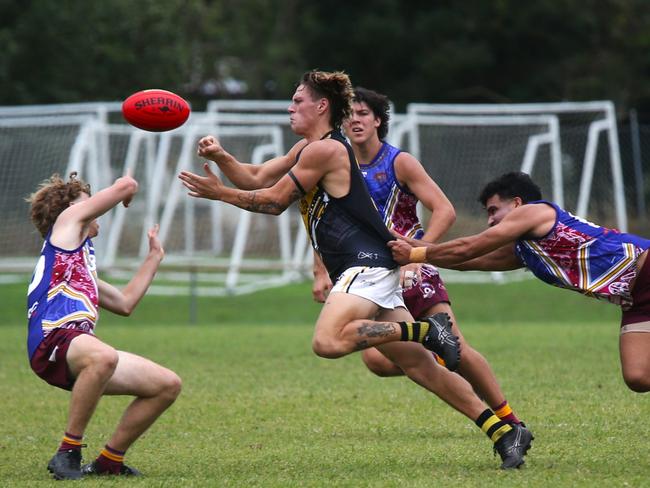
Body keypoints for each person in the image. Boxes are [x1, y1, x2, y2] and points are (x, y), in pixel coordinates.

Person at [178, 70, 532, 469]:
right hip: (372, 265)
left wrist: (219, 193)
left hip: (366, 265)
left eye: (298, 101)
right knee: (417, 365)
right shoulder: (306, 149)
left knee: (327, 343)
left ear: (321, 106)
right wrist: (222, 157)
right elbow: (257, 177)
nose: (291, 107)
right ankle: (502, 431)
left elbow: (274, 202)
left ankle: (427, 330)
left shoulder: (326, 151)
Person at [310, 86, 523, 427]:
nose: (355, 121)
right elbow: (323, 222)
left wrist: (418, 256)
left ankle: (509, 420)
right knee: (376, 362)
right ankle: (435, 352)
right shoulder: (335, 161)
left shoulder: (399, 162)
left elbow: (444, 210)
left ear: (379, 120)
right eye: (349, 115)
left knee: (460, 350)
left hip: (411, 269)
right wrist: (319, 270)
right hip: (368, 272)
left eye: (363, 113)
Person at [389, 171, 650, 393]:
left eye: (493, 211)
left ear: (516, 204)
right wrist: (387, 236)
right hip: (635, 299)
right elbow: (463, 260)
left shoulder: (534, 212)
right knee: (638, 377)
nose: (490, 220)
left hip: (646, 268)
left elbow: (468, 247)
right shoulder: (525, 251)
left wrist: (415, 255)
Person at [27, 172, 182, 480]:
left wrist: (154, 258)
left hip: (77, 347)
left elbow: (125, 303)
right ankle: (67, 452)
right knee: (104, 356)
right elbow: (127, 184)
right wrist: (125, 191)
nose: (96, 210)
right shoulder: (66, 225)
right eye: (90, 203)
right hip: (53, 340)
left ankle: (109, 460)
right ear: (70, 209)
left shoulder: (77, 264)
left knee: (166, 385)